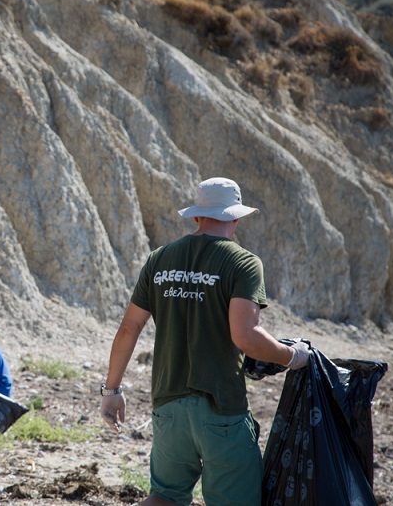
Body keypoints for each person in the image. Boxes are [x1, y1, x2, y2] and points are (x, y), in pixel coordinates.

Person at [100, 177, 310, 506]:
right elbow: (246, 337)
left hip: (168, 406)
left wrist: (112, 391)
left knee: (164, 497)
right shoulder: (243, 262)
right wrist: (292, 356)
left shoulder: (160, 259)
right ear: (236, 217)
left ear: (197, 216)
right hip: (221, 408)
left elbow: (129, 328)